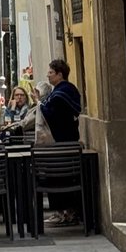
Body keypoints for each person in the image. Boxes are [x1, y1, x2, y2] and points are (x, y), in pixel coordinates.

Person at [38, 59, 85, 225]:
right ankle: (66, 211)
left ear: (59, 74)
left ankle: (64, 212)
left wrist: (40, 103)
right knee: (68, 177)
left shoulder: (59, 94)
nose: (48, 75)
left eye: (51, 72)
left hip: (59, 143)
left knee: (58, 177)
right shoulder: (69, 90)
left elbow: (51, 115)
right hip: (70, 141)